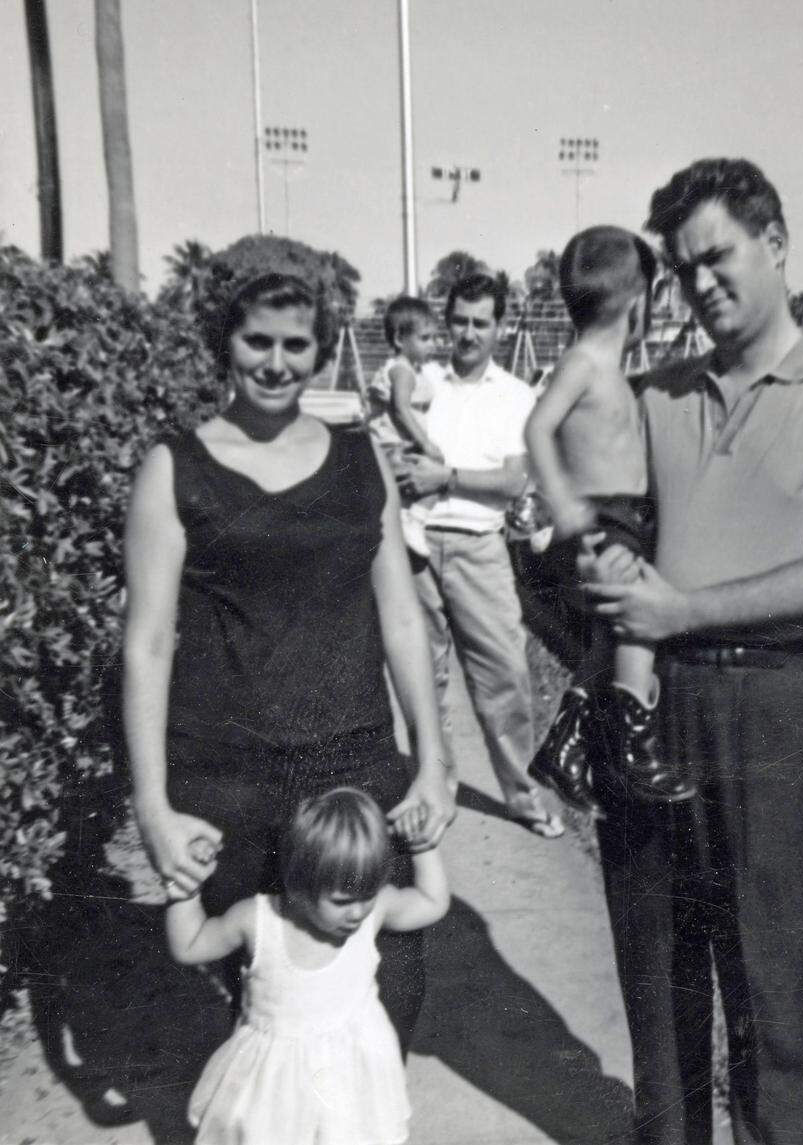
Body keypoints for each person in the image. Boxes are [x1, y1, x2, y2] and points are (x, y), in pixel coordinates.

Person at [580, 159, 803, 1144]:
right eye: (683, 268)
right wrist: (602, 575)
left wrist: (680, 611)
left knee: (773, 982)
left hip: (775, 706)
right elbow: (607, 535)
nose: (700, 282)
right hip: (652, 699)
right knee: (658, 975)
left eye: (716, 256)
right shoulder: (651, 395)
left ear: (776, 243)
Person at [122, 269, 455, 1053]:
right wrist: (152, 806)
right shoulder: (174, 466)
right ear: (225, 344)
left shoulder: (361, 459)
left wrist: (433, 760)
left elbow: (402, 617)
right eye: (257, 341)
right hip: (225, 778)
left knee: (387, 996)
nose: (276, 363)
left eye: (295, 344)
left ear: (321, 351)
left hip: (353, 769)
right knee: (257, 1013)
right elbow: (146, 642)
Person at [167, 787, 450, 1145]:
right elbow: (190, 946)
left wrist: (422, 846)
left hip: (350, 1075)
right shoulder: (257, 920)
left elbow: (431, 902)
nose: (358, 912)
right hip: (274, 1083)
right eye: (342, 901)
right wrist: (186, 887)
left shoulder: (373, 911)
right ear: (299, 886)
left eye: (368, 895)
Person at [524, 226, 695, 814]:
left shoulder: (610, 369)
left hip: (624, 516)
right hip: (604, 514)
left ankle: (565, 742)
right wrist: (565, 504)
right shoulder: (584, 363)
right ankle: (634, 748)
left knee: (613, 631)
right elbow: (537, 428)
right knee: (638, 624)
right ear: (638, 303)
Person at [397, 273, 564, 839]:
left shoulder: (515, 395)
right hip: (415, 546)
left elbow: (514, 481)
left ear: (499, 328)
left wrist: (444, 477)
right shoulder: (422, 381)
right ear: (446, 322)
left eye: (480, 323)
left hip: (479, 548)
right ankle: (436, 790)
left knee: (505, 676)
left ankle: (522, 796)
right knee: (425, 678)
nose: (468, 333)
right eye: (460, 321)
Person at [367, 295, 447, 558]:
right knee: (439, 470)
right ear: (400, 339)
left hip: (392, 443)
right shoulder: (403, 371)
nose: (432, 344)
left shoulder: (404, 368)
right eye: (425, 338)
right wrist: (425, 443)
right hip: (397, 442)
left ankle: (406, 516)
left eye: (434, 337)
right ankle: (415, 519)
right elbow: (401, 408)